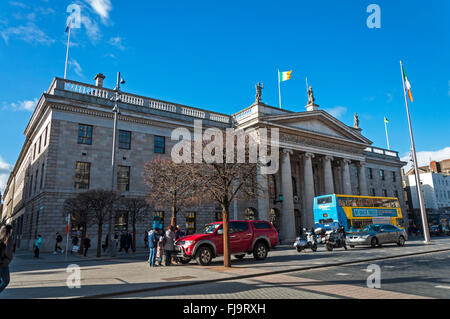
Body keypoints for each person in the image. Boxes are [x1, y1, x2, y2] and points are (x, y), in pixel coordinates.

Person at [0, 225, 14, 294]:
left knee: (1, 281)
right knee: (6, 281)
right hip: (3, 264)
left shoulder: (1, 239)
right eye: (11, 230)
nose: (12, 231)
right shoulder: (8, 239)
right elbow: (8, 253)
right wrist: (9, 259)